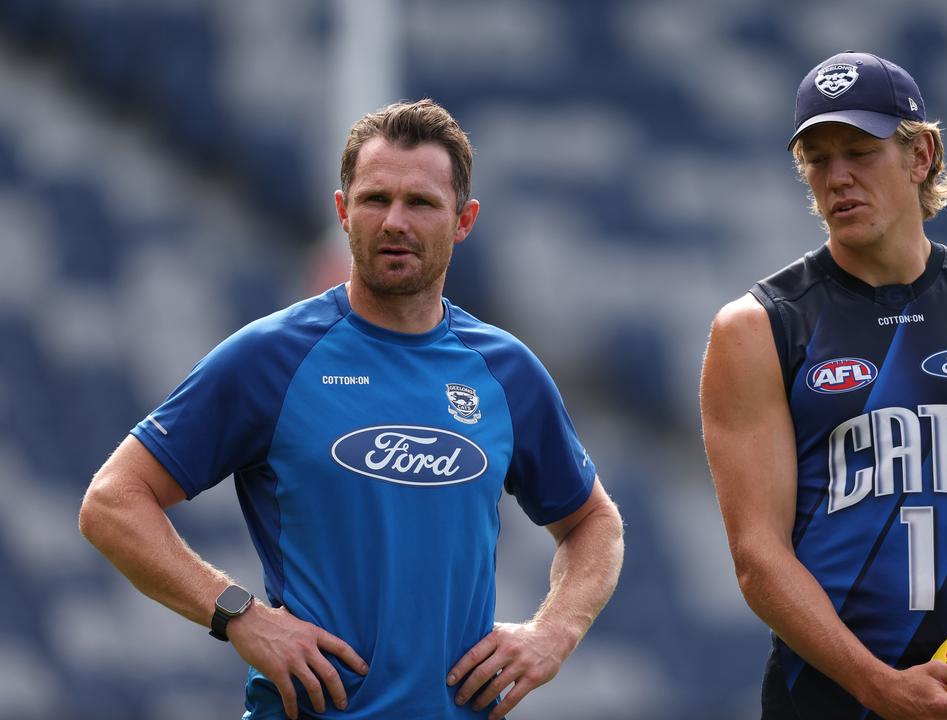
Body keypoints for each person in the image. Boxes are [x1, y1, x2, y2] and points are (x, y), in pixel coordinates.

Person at [79, 98, 625, 720]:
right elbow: (113, 500)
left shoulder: (506, 372)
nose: (395, 221)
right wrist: (239, 614)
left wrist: (555, 631)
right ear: (342, 210)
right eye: (374, 199)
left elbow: (593, 524)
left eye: (420, 203)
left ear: (464, 219)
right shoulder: (272, 358)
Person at [700, 52, 947, 720]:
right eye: (817, 159)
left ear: (922, 156)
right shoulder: (759, 328)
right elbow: (757, 559)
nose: (837, 178)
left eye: (859, 151)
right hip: (825, 702)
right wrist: (877, 686)